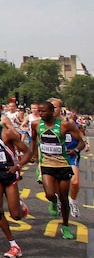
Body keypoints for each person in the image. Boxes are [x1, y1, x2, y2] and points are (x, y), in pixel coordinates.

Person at [30, 98, 87, 240]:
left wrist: (75, 150)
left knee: (64, 197)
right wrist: (33, 155)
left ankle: (65, 226)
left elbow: (81, 141)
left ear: (52, 112)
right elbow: (33, 139)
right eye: (39, 111)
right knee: (49, 194)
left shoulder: (64, 125)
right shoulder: (35, 124)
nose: (41, 114)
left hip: (63, 165)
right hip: (46, 164)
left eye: (44, 111)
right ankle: (53, 202)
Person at [0, 107, 31, 258]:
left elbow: (27, 152)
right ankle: (13, 244)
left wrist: (18, 166)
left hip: (9, 173)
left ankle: (20, 205)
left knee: (15, 215)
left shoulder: (6, 133)